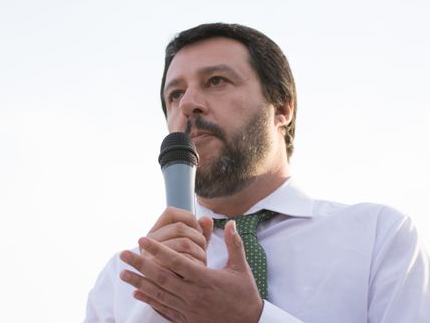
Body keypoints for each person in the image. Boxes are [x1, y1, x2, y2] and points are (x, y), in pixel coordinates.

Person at [84, 23, 430, 322]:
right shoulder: (123, 279)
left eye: (216, 81)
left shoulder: (377, 236)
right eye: (175, 94)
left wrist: (253, 318)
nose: (188, 103)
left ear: (281, 108)